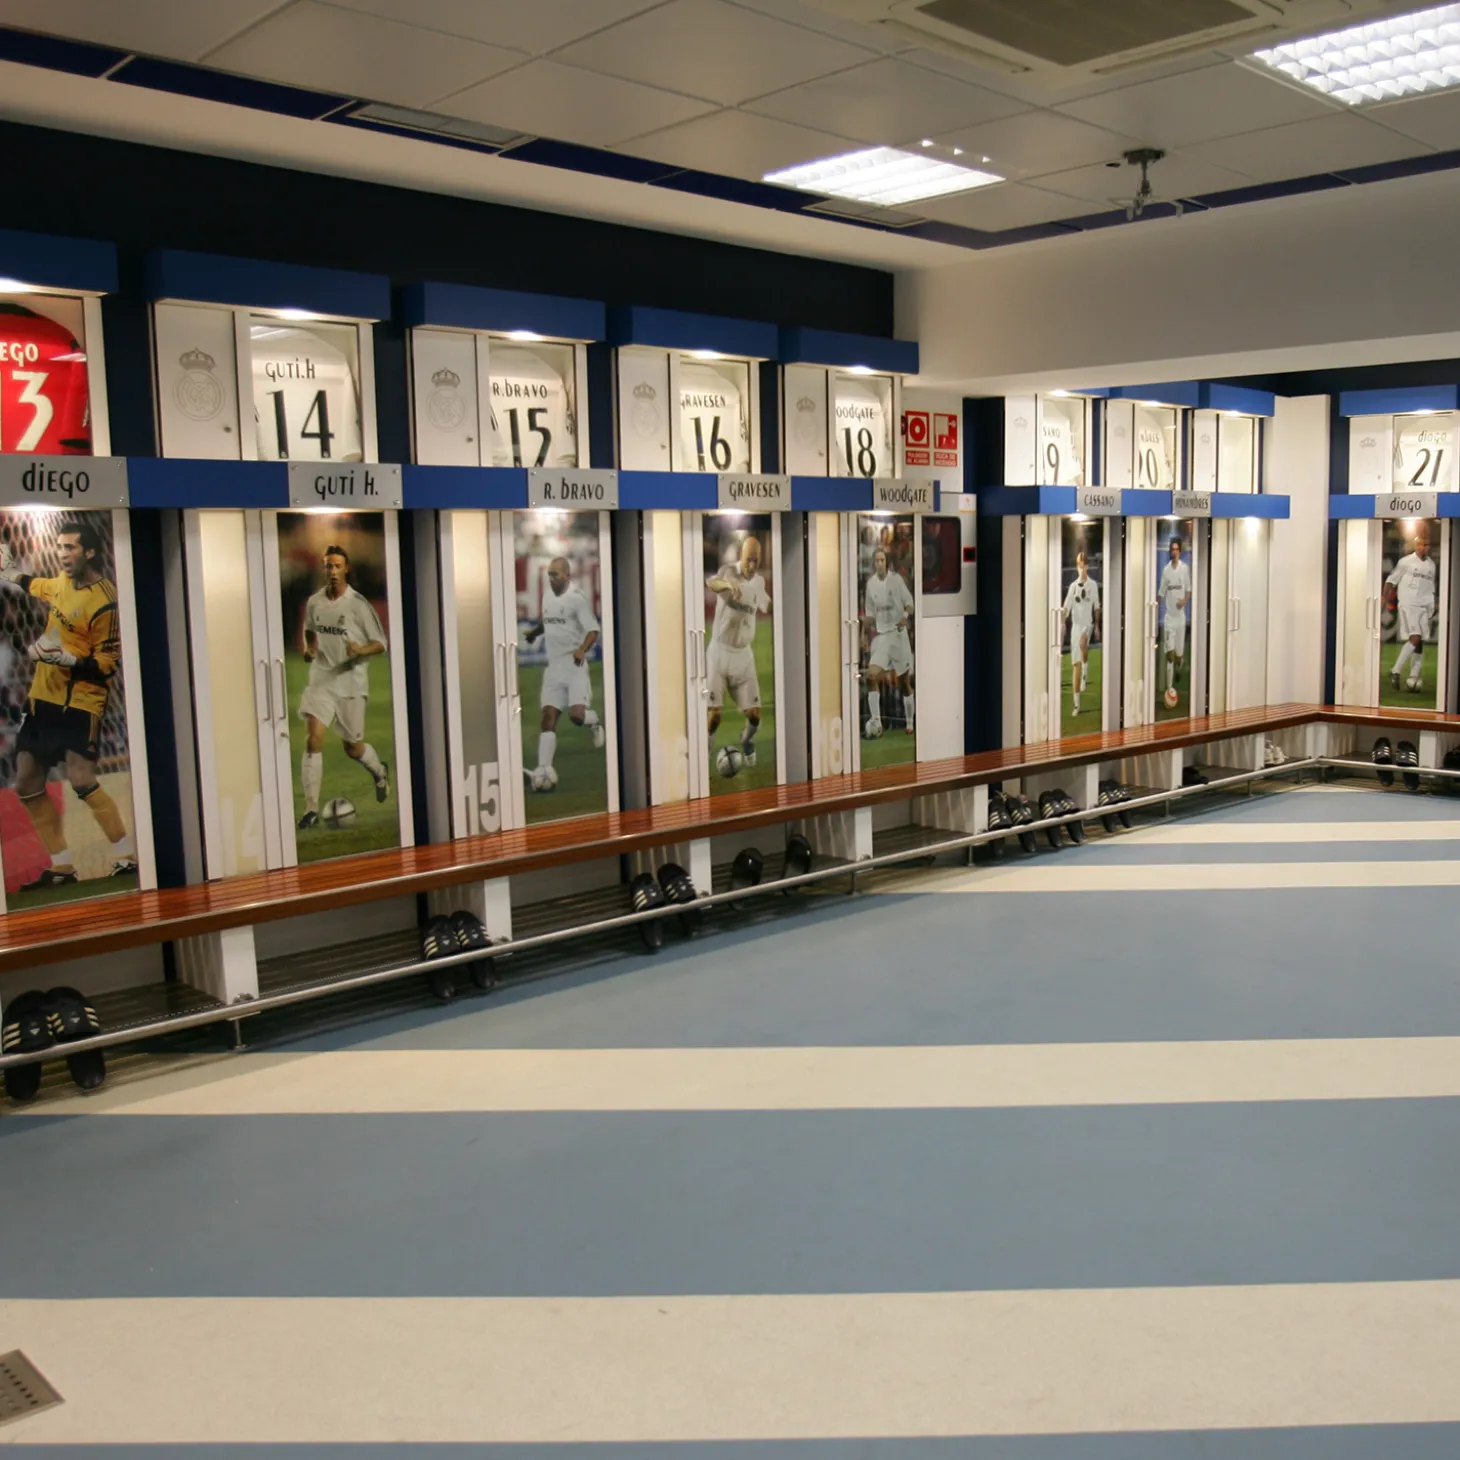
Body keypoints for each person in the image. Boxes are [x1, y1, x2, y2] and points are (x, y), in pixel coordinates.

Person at [0, 519, 134, 889]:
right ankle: (61, 867)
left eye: (70, 548)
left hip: (81, 701)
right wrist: (9, 569)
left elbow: (108, 665)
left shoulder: (105, 601)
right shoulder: (59, 584)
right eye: (59, 548)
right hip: (42, 700)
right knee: (26, 782)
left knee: (81, 780)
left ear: (89, 552)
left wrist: (69, 661)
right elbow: (31, 584)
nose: (62, 555)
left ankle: (127, 856)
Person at [296, 545, 389, 829]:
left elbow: (381, 644)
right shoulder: (315, 602)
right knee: (313, 740)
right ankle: (310, 809)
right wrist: (310, 648)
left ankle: (379, 771)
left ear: (346, 569)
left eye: (337, 566)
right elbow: (310, 630)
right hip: (322, 680)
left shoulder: (358, 604)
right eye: (328, 566)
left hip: (350, 684)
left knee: (353, 748)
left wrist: (360, 649)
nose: (332, 571)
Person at [524, 555, 603, 786]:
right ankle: (543, 768)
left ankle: (594, 721)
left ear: (567, 576)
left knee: (576, 716)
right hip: (553, 669)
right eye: (549, 574)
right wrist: (534, 633)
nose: (551, 578)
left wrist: (582, 650)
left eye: (555, 574)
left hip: (574, 666)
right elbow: (546, 620)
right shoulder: (548, 597)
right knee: (548, 719)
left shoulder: (577, 599)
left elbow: (592, 631)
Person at [706, 532, 771, 768]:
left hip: (743, 657)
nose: (752, 566)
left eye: (756, 561)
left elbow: (767, 603)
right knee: (713, 717)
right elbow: (712, 582)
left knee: (754, 717)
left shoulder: (760, 583)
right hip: (719, 653)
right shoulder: (729, 571)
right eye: (749, 560)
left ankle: (746, 740)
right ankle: (703, 760)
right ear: (740, 556)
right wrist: (728, 584)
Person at [863, 546, 915, 735]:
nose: (879, 563)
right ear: (873, 564)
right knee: (870, 676)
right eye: (876, 560)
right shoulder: (870, 585)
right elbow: (869, 614)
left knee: (903, 683)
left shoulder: (896, 580)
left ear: (887, 562)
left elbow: (910, 603)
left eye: (882, 560)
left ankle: (909, 723)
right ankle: (876, 722)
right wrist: (863, 634)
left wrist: (904, 616)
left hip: (898, 635)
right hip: (883, 637)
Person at [1386, 527, 1438, 692]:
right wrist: (1384, 598)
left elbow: (1431, 587)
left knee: (1420, 642)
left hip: (1424, 605)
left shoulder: (1431, 565)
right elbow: (1391, 580)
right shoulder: (1406, 562)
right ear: (1416, 546)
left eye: (1426, 545)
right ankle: (1395, 670)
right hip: (1409, 604)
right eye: (1420, 544)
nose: (1423, 547)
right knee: (1415, 638)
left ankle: (1414, 677)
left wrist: (1432, 605)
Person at [1061, 550, 1101, 716]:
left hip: (1087, 625)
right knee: (1075, 665)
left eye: (1083, 566)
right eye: (1079, 566)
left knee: (1084, 641)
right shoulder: (1072, 587)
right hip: (1076, 627)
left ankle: (1086, 672)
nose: (1081, 569)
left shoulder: (1092, 585)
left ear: (1087, 567)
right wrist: (1062, 622)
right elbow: (1066, 609)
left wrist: (1097, 626)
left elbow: (1097, 607)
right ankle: (1076, 705)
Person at [1158, 536, 1192, 701]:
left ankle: (1179, 667)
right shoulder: (1166, 570)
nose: (1174, 552)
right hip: (1169, 619)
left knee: (1178, 656)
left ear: (1180, 552)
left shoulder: (1184, 569)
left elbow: (1189, 591)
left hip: (1180, 619)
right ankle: (1169, 689)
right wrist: (1155, 605)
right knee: (1169, 655)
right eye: (1172, 549)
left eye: (1176, 549)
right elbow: (1161, 592)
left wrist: (1184, 601)